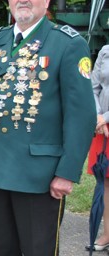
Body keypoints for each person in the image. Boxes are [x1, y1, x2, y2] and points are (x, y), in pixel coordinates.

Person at [0, 0, 95, 255]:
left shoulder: (66, 44)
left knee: (38, 250)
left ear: (47, 0)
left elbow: (81, 116)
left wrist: (67, 172)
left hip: (39, 175)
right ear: (8, 1)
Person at [89, 44, 109, 251]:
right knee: (104, 182)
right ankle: (107, 234)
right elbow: (93, 87)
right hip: (102, 128)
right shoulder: (104, 50)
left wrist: (105, 118)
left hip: (105, 122)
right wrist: (98, 116)